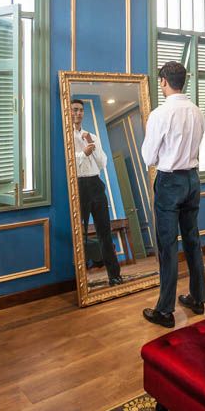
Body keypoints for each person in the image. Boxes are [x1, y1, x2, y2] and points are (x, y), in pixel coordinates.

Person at [140, 61, 205, 328]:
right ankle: (198, 298)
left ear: (164, 82)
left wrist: (164, 156)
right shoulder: (197, 111)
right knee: (192, 240)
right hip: (192, 179)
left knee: (168, 246)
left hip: (169, 182)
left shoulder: (160, 114)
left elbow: (148, 157)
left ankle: (165, 311)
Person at [71, 99, 123, 286]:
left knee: (104, 232)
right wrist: (82, 154)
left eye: (80, 110)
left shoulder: (91, 136)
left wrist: (90, 144)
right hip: (77, 186)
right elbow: (67, 164)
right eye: (74, 110)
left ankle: (114, 276)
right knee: (79, 234)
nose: (78, 113)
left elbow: (102, 163)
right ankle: (79, 281)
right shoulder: (65, 138)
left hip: (95, 184)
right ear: (68, 112)